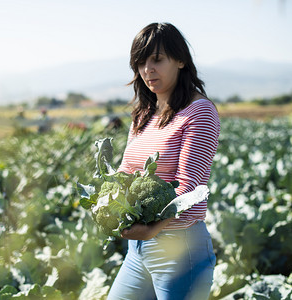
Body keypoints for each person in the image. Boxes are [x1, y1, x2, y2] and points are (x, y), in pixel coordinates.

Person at [107, 23, 220, 300]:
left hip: (179, 248)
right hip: (138, 250)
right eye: (141, 62)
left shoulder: (199, 112)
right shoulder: (143, 113)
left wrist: (151, 229)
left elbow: (189, 189)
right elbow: (125, 172)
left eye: (157, 59)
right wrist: (110, 200)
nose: (148, 70)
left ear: (180, 60)